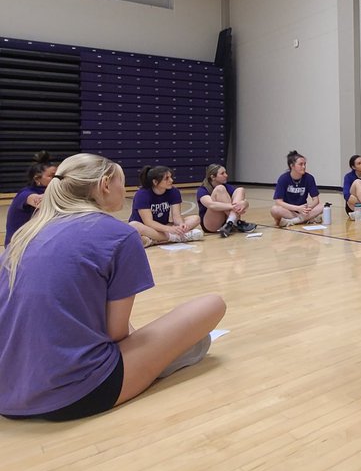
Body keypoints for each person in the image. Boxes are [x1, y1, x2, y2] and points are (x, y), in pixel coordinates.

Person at [0, 153, 225, 421]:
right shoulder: (120, 234)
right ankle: (159, 362)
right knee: (212, 306)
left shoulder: (26, 234)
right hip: (78, 391)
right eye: (122, 181)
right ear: (106, 184)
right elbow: (115, 333)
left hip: (8, 388)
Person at [129, 165, 202, 245]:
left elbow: (176, 217)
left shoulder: (174, 191)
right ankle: (175, 238)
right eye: (166, 178)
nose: (171, 180)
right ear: (155, 182)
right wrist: (169, 229)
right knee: (133, 225)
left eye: (171, 177)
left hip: (163, 226)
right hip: (146, 227)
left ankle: (155, 240)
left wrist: (181, 225)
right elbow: (148, 222)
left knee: (195, 218)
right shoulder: (142, 194)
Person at [4, 151, 57, 247]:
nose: (56, 179)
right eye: (51, 176)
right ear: (37, 179)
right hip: (16, 248)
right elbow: (39, 200)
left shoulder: (49, 191)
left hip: (34, 243)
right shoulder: (25, 194)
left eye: (57, 176)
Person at [197, 164, 256, 237]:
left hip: (226, 220)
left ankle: (230, 222)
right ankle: (236, 222)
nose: (226, 175)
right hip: (211, 224)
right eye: (222, 173)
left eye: (225, 172)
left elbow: (241, 199)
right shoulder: (203, 189)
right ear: (213, 177)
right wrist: (233, 207)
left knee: (240, 190)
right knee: (220, 189)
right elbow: (211, 205)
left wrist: (245, 203)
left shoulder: (227, 187)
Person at [271, 151, 325, 227]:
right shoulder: (283, 178)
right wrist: (298, 208)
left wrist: (307, 208)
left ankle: (294, 221)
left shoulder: (309, 178)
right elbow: (278, 202)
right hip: (289, 210)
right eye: (300, 164)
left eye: (304, 164)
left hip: (304, 210)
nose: (304, 167)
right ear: (292, 166)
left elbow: (316, 200)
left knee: (324, 206)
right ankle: (308, 219)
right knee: (274, 210)